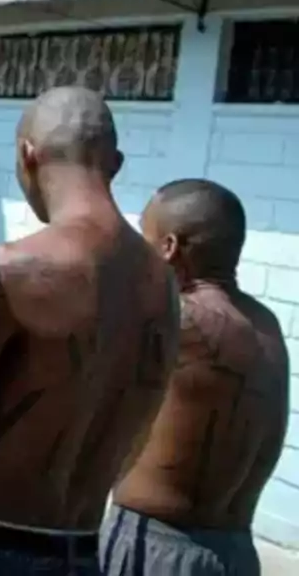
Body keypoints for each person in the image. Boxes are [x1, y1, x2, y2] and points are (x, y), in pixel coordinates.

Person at [0, 86, 181, 575]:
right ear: (115, 164)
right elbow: (139, 427)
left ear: (27, 155)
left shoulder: (14, 270)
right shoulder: (164, 285)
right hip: (80, 550)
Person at [102, 179, 291, 576]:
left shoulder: (175, 319)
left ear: (169, 247)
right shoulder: (266, 325)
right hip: (235, 552)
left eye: (145, 237)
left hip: (156, 550)